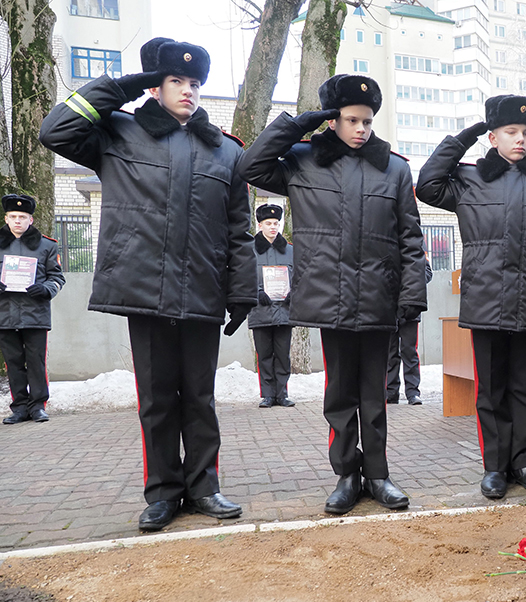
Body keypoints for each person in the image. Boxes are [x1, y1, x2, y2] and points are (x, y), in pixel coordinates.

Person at [40, 38, 257, 531]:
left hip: (202, 290)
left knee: (200, 398)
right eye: (175, 81)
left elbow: (238, 228)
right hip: (146, 290)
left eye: (195, 83)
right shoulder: (119, 132)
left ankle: (205, 488)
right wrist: (122, 87)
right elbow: (55, 130)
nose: (187, 91)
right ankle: (162, 493)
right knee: (157, 399)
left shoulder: (225, 151)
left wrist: (242, 290)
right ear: (155, 85)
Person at [237, 74, 428, 515]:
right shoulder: (304, 158)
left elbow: (410, 238)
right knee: (340, 394)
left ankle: (378, 475)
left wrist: (411, 296)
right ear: (332, 120)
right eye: (351, 119)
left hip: (380, 298)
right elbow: (251, 167)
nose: (361, 128)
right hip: (331, 297)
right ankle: (346, 475)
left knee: (375, 394)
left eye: (368, 120)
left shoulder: (394, 168)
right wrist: (298, 125)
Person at [417, 95, 526, 500]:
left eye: (525, 133)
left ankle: (524, 464)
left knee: (521, 388)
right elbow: (427, 184)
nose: (519, 139)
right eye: (510, 132)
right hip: (484, 302)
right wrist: (464, 138)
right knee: (490, 391)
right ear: (493, 136)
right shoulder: (468, 179)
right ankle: (494, 469)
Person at [0, 194, 65, 424]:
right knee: (13, 362)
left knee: (36, 361)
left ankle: (38, 406)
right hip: (4, 314)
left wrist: (45, 289)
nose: (17, 221)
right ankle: (19, 408)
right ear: (6, 219)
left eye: (23, 217)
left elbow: (57, 277)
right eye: (13, 216)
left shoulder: (47, 246)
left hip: (35, 313)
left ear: (31, 220)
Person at [250, 203, 296, 409]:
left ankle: (282, 394)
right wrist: (256, 292)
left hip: (285, 311)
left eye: (276, 223)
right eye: (268, 223)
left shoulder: (291, 251)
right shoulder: (249, 251)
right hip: (260, 311)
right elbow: (242, 277)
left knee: (282, 354)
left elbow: (300, 276)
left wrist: (293, 293)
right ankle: (267, 395)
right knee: (265, 355)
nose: (273, 227)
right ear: (260, 225)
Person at [385, 256, 432, 405]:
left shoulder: (416, 244)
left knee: (409, 351)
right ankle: (391, 392)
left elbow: (427, 272)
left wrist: (412, 282)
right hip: (389, 308)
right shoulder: (389, 242)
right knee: (390, 353)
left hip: (410, 308)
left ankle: (412, 392)